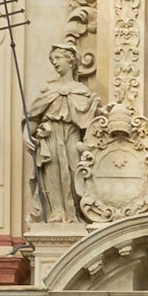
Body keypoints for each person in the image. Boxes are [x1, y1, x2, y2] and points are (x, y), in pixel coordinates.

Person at [28, 40, 99, 220]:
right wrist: (28, 134)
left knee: (75, 169)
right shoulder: (50, 90)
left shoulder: (81, 91)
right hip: (51, 135)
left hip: (72, 135)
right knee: (52, 170)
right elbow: (34, 117)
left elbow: (90, 122)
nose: (56, 63)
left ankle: (75, 210)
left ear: (71, 61)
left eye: (59, 58)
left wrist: (97, 109)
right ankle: (57, 210)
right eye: (53, 61)